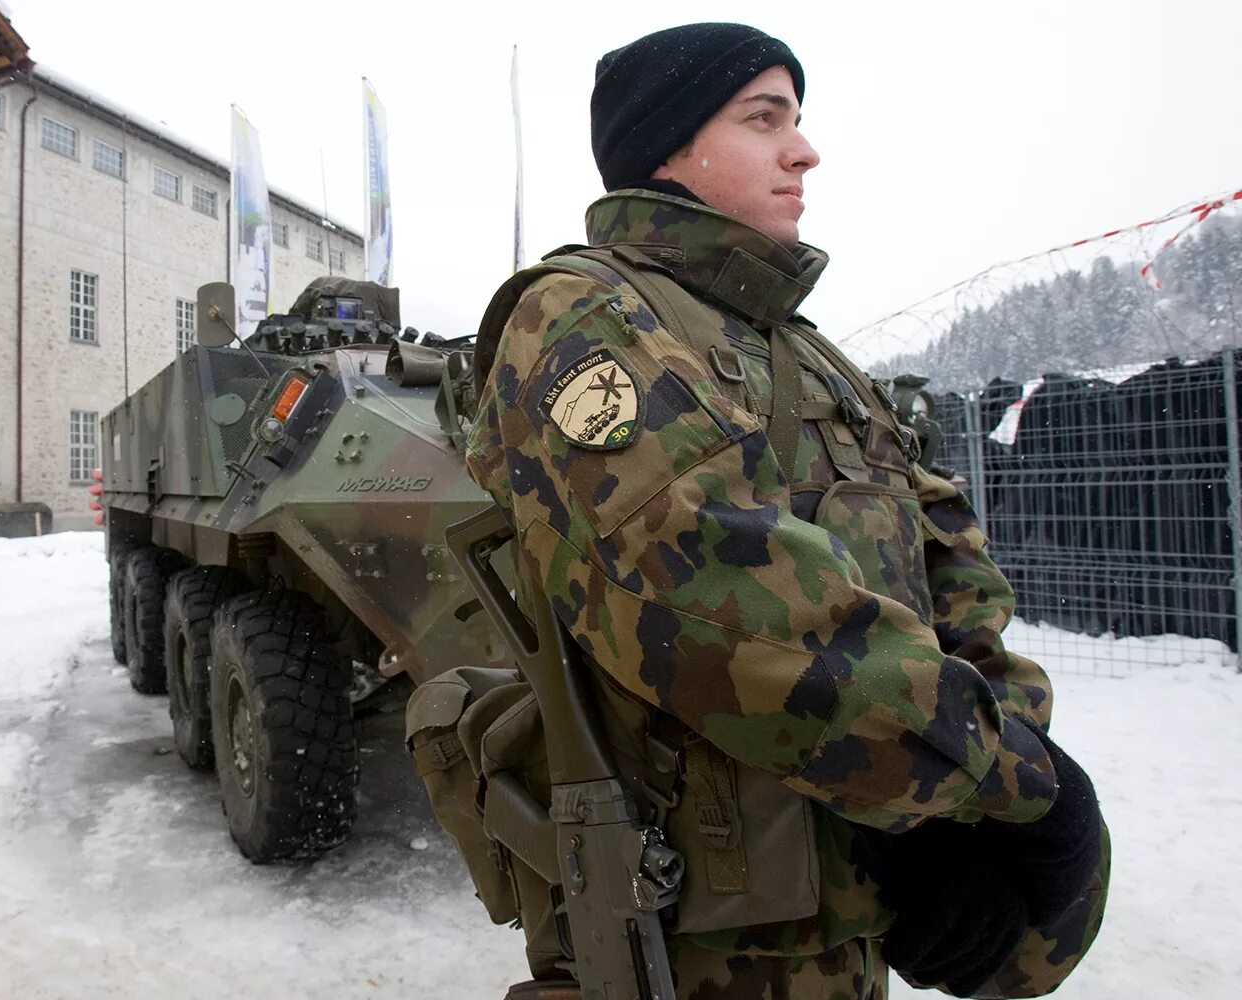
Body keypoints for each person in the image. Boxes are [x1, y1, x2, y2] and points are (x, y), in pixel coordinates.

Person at [462, 23, 1107, 1000]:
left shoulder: (800, 353)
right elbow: (710, 591)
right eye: (763, 119)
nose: (801, 150)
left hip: (844, 904)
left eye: (796, 120)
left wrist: (965, 798)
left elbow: (944, 555)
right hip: (706, 946)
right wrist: (993, 776)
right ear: (664, 148)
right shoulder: (582, 320)